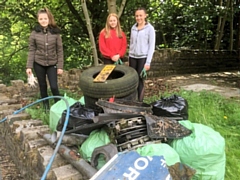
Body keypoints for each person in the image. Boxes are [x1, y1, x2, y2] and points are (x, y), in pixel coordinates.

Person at [26, 7, 64, 110]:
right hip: (39, 63)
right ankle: (46, 108)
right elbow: (32, 50)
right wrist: (29, 66)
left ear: (49, 19)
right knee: (42, 86)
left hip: (52, 63)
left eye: (45, 19)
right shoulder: (34, 33)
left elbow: (60, 50)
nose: (43, 21)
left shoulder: (55, 33)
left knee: (54, 86)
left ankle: (59, 107)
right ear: (38, 20)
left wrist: (60, 66)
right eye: (41, 19)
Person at [129, 7, 156, 102]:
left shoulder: (150, 29)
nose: (138, 17)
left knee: (140, 81)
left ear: (145, 16)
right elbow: (131, 43)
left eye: (140, 15)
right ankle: (132, 101)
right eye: (137, 16)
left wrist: (148, 62)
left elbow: (151, 46)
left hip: (143, 58)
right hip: (132, 57)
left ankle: (139, 103)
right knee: (132, 80)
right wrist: (129, 56)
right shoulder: (133, 28)